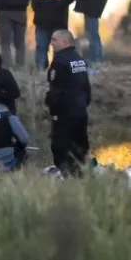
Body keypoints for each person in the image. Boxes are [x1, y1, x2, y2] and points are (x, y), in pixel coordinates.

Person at [45, 29, 92, 177]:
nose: (51, 43)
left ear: (65, 42)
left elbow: (55, 92)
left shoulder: (59, 62)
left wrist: (53, 110)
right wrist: (83, 105)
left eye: (54, 40)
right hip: (81, 112)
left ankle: (66, 178)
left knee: (61, 148)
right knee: (79, 148)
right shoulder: (79, 59)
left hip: (64, 114)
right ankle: (80, 177)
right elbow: (86, 88)